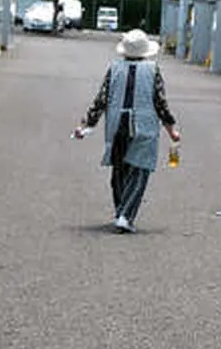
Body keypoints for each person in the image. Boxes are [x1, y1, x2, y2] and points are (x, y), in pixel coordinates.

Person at [75, 29, 181, 233]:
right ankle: (126, 215)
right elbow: (160, 103)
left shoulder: (114, 68)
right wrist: (171, 130)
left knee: (119, 170)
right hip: (143, 126)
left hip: (117, 125)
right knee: (139, 170)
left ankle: (120, 211)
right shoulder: (153, 70)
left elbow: (101, 100)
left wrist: (85, 126)